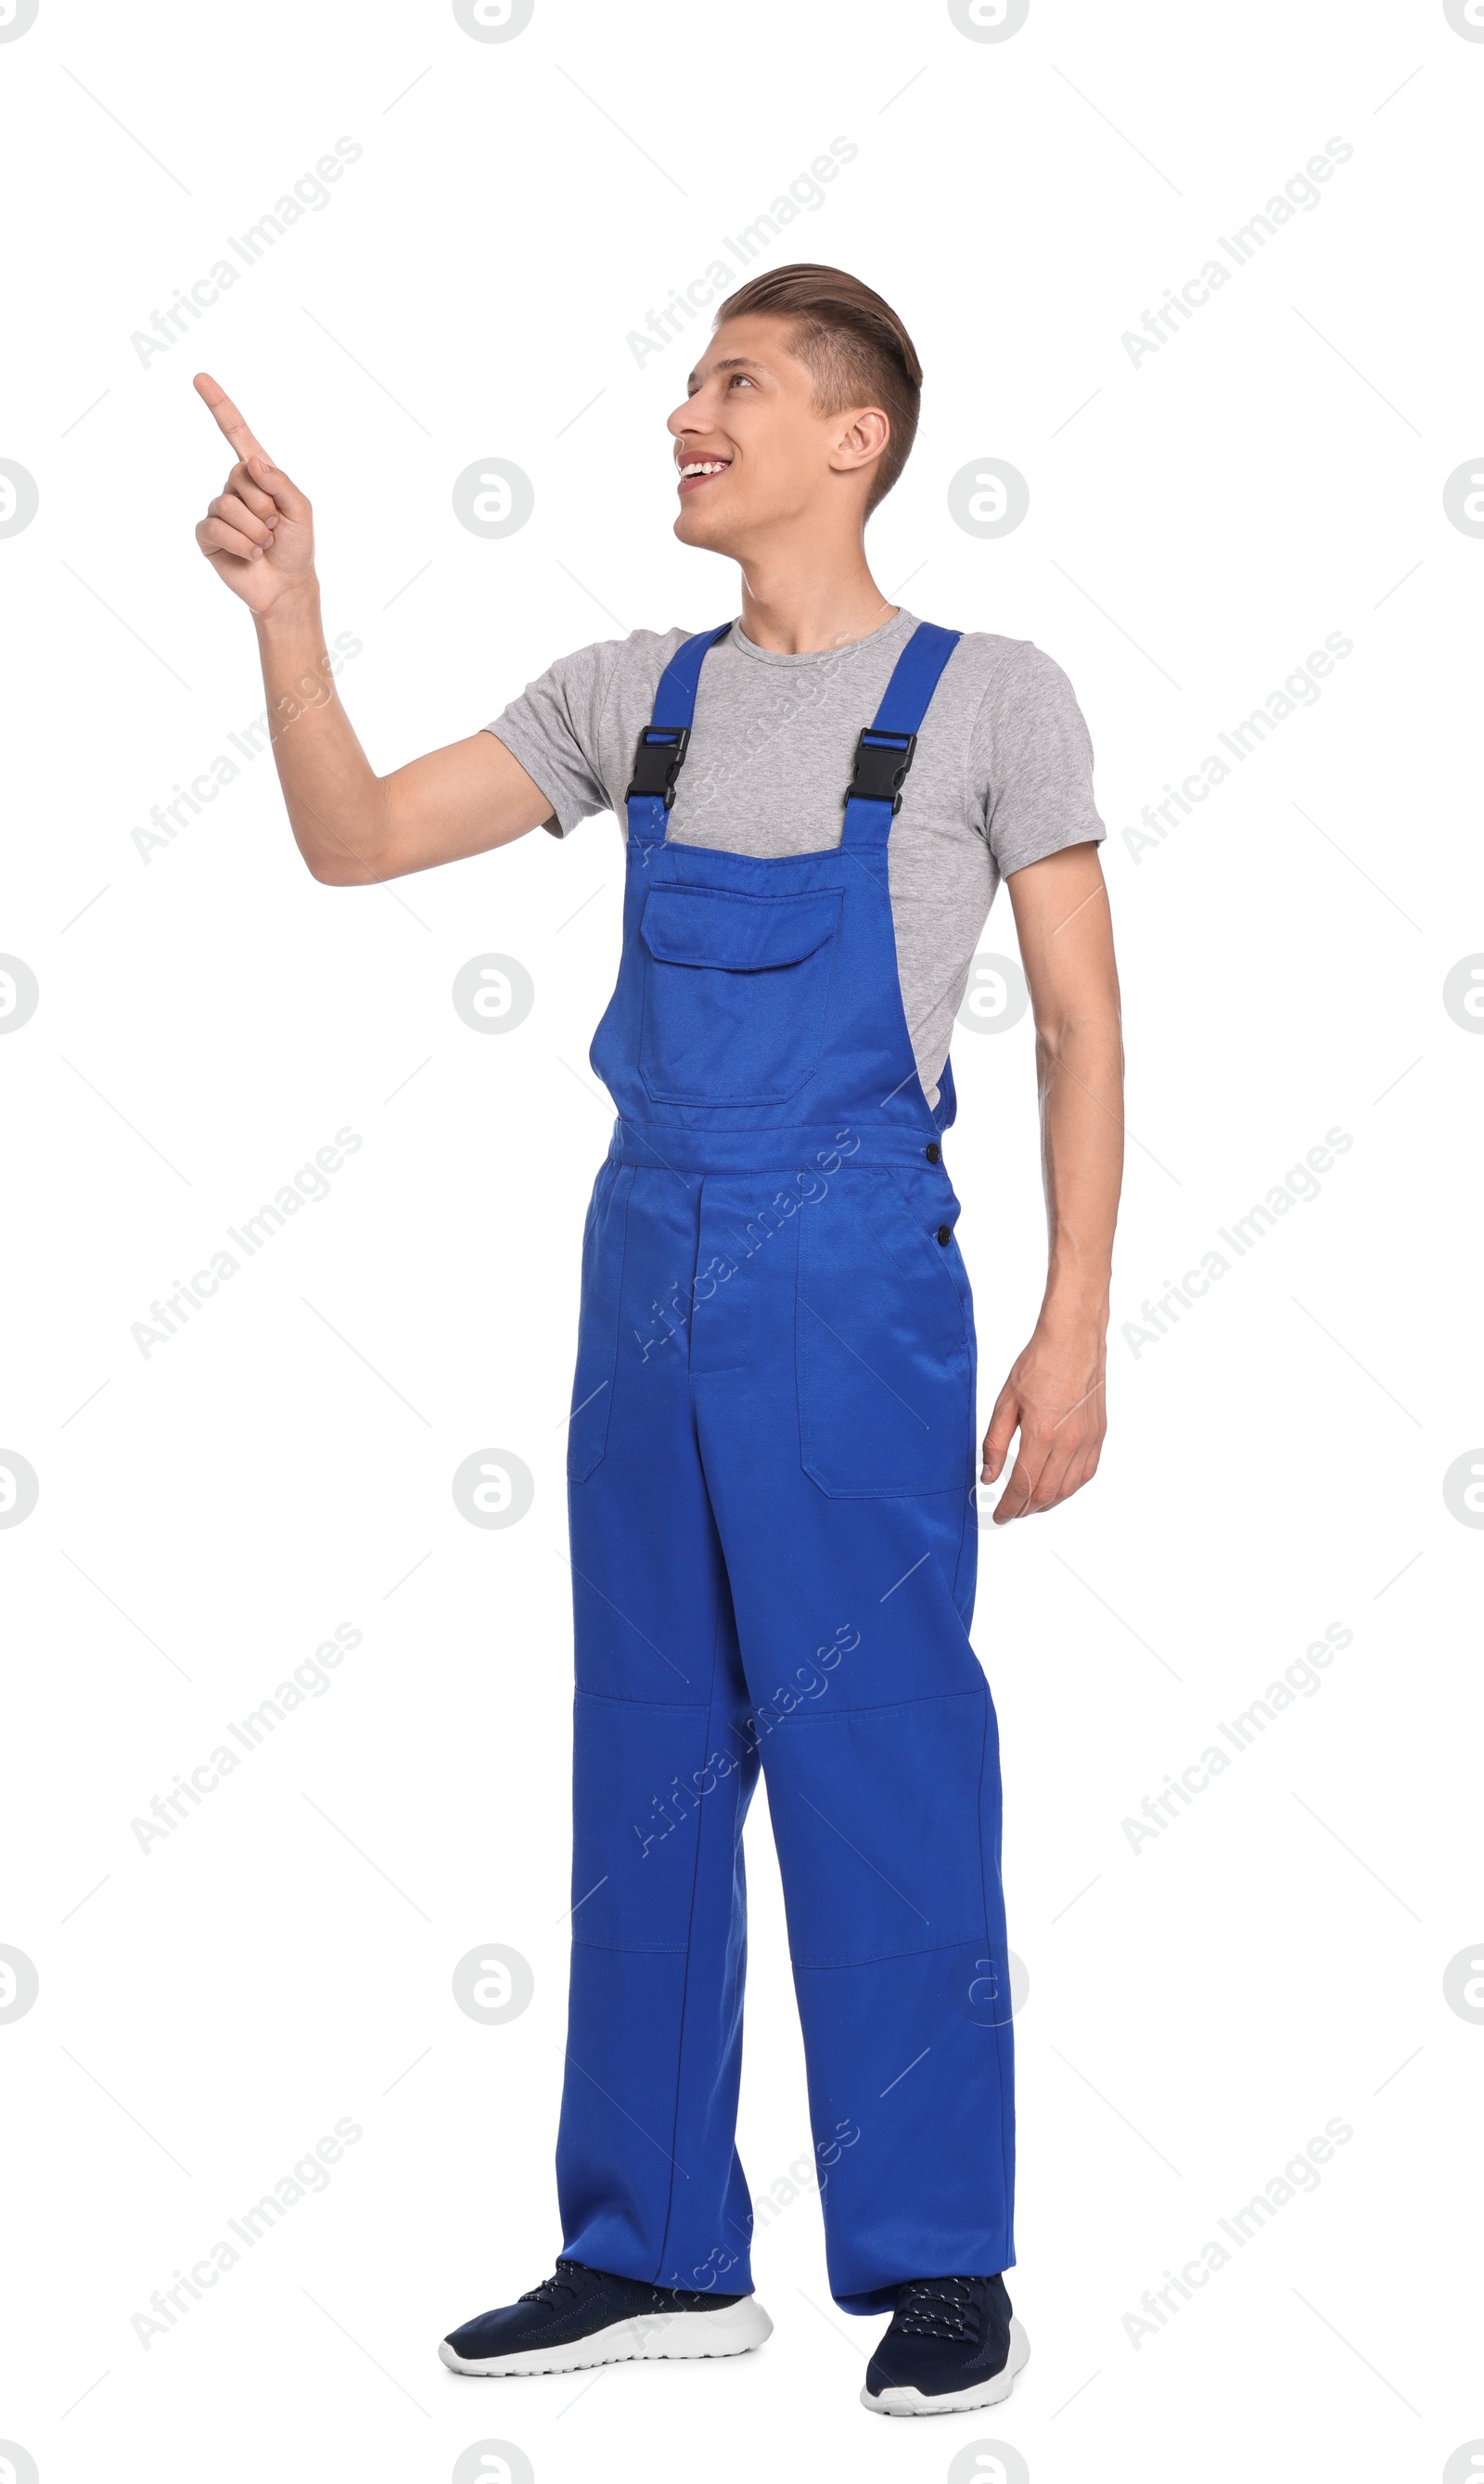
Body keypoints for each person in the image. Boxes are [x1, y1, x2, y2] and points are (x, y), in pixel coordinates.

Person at [192, 262, 1123, 2420]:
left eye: (734, 385)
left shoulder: (990, 698)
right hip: (644, 1272)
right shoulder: (637, 693)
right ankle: (648, 2247)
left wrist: (1072, 1324)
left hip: (853, 1279)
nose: (686, 415)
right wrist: (288, 618)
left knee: (878, 1742)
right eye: (691, 380)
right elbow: (352, 844)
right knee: (645, 1754)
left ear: (852, 436)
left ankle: (934, 2259)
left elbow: (1078, 1025)